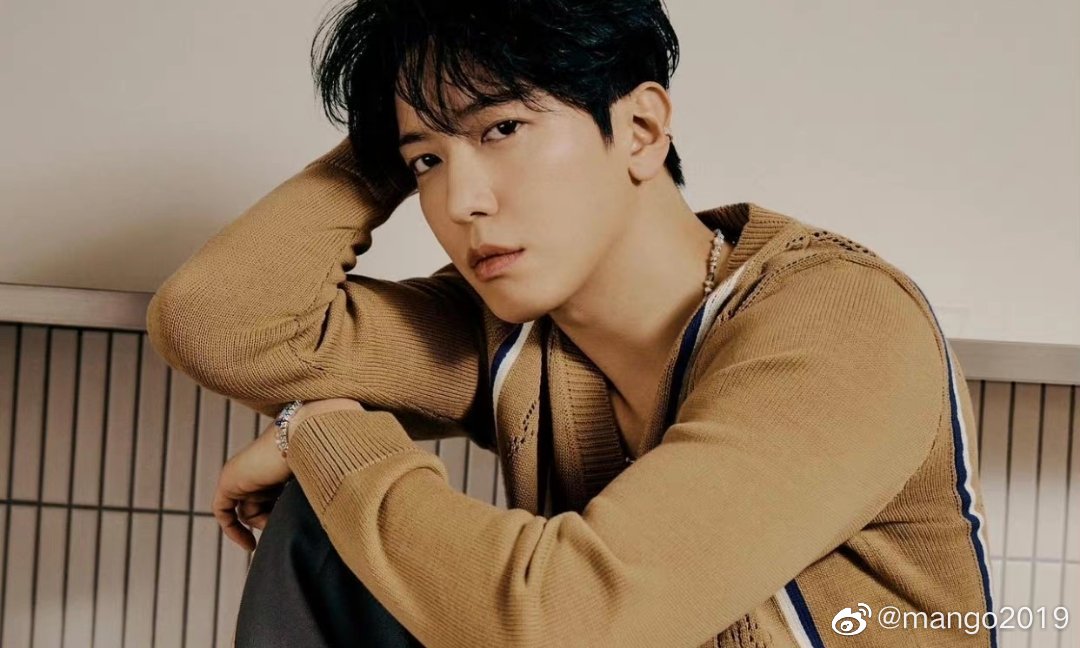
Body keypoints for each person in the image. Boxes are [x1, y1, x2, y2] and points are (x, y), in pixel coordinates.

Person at [145, 1, 998, 646]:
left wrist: (316, 431)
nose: (460, 200)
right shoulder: (510, 328)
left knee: (339, 478)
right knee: (319, 522)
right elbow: (219, 324)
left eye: (504, 127)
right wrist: (396, 122)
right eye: (428, 162)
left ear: (641, 129)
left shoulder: (839, 317)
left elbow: (570, 620)